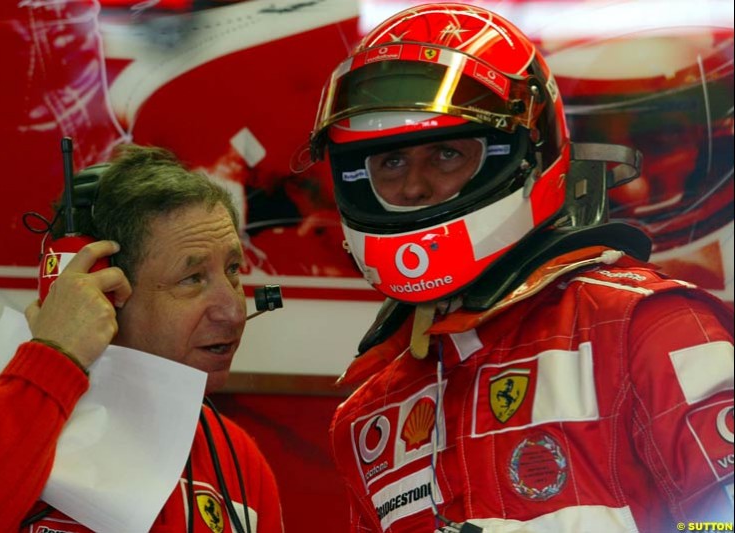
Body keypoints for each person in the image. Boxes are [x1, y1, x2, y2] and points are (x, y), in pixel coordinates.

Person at [303, 3, 734, 532]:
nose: (413, 187)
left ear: (522, 153)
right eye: (390, 162)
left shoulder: (645, 326)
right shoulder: (370, 407)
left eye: (445, 155)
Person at [0, 144, 284, 532]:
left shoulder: (233, 455)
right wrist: (55, 358)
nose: (234, 311)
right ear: (99, 290)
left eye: (233, 270)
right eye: (192, 278)